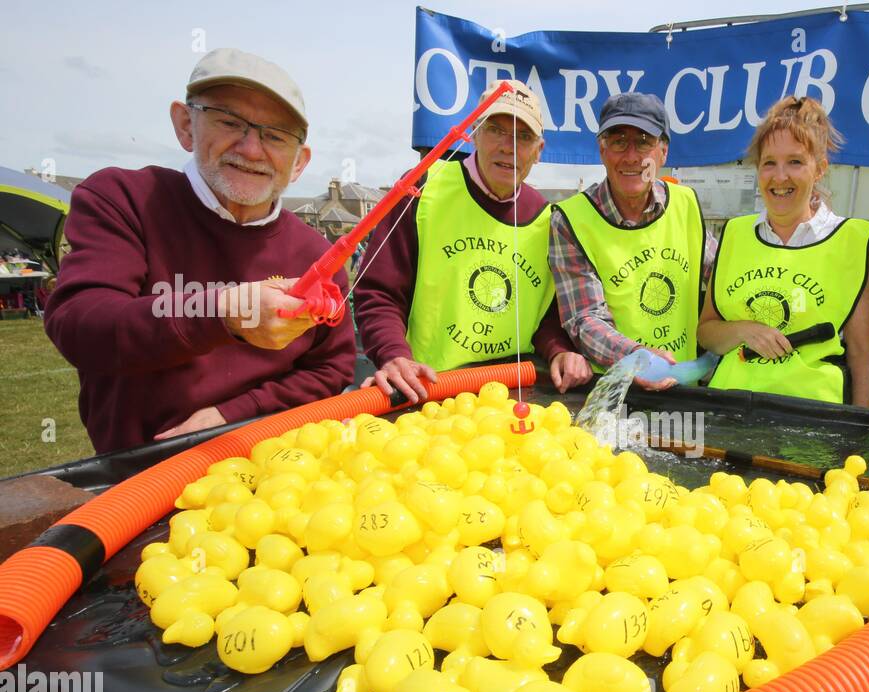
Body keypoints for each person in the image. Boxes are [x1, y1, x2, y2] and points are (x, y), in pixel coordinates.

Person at [44, 48, 354, 454]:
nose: (251, 149)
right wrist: (223, 313)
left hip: (272, 461)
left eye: (275, 136)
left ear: (299, 163)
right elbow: (81, 325)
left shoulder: (316, 253)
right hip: (141, 472)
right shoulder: (124, 199)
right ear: (186, 125)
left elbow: (330, 367)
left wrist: (236, 413)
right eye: (230, 122)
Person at [353, 81, 591, 402]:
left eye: (523, 137)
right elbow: (378, 292)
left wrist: (559, 351)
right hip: (428, 390)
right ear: (475, 133)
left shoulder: (548, 218)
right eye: (496, 130)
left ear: (539, 150)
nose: (509, 147)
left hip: (512, 394)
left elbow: (548, 316)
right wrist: (393, 353)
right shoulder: (424, 187)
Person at [699, 96, 869, 404]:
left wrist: (861, 432)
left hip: (811, 414)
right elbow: (707, 332)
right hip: (729, 405)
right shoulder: (736, 233)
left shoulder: (853, 240)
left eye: (795, 162)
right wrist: (744, 330)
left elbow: (862, 353)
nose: (780, 177)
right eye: (769, 163)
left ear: (819, 168)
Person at [550, 93, 715, 389]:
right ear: (602, 151)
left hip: (683, 387)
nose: (631, 156)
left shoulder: (685, 202)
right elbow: (585, 318)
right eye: (618, 142)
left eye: (643, 142)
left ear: (662, 152)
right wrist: (637, 358)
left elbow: (721, 278)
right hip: (614, 391)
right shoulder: (570, 219)